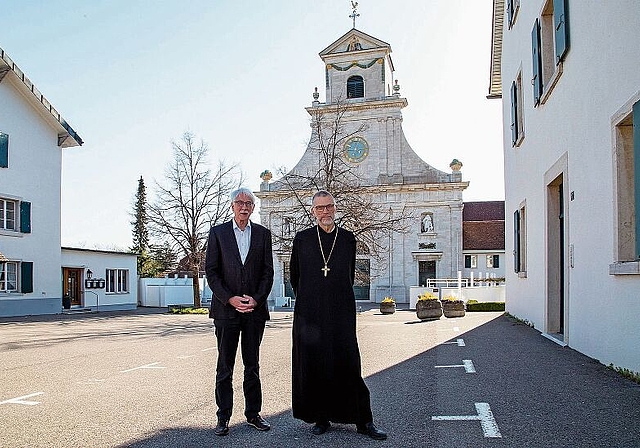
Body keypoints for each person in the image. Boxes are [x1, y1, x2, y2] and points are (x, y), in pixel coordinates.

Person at [289, 190, 387, 441]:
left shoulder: (347, 239)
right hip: (310, 312)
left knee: (348, 362)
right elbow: (295, 276)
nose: (325, 212)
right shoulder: (302, 239)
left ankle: (363, 421)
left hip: (341, 310)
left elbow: (349, 275)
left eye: (329, 207)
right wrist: (312, 299)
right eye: (320, 208)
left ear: (335, 208)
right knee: (315, 363)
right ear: (313, 211)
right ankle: (321, 417)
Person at [205, 187, 274, 436]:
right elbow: (211, 272)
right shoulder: (218, 233)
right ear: (232, 206)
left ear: (253, 208)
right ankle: (223, 417)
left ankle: (253, 414)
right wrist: (229, 298)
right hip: (226, 312)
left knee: (252, 365)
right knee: (225, 367)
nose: (244, 206)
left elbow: (268, 272)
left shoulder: (263, 235)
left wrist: (256, 299)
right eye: (239, 202)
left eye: (248, 203)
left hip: (255, 312)